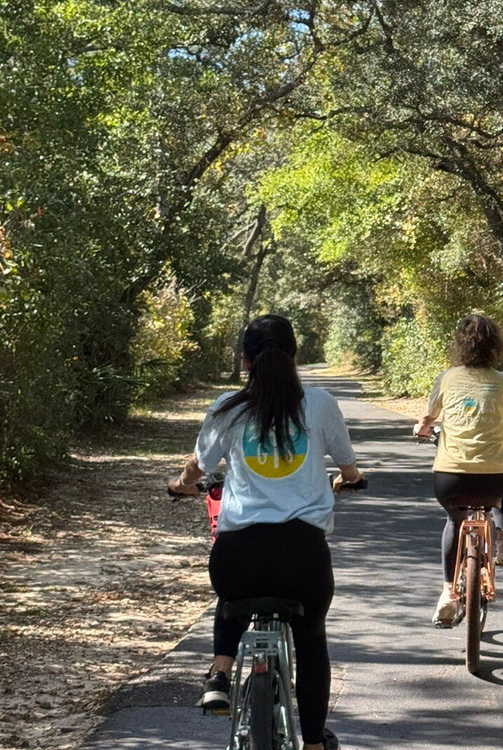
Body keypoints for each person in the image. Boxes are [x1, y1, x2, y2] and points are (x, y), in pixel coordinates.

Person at [168, 314, 363, 750]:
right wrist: (349, 478)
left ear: (244, 358)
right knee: (311, 641)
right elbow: (348, 466)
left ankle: (220, 670)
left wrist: (179, 486)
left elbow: (197, 467)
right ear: (294, 356)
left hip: (239, 555)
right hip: (303, 557)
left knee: (232, 598)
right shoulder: (320, 404)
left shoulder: (227, 406)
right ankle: (312, 744)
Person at [413, 313, 503, 626]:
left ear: (460, 346)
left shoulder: (447, 378)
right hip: (495, 482)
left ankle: (446, 592)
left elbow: (427, 420)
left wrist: (422, 429)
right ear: (497, 346)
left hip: (450, 479)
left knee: (454, 521)